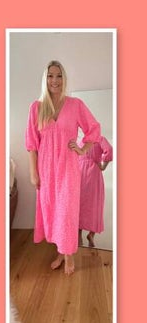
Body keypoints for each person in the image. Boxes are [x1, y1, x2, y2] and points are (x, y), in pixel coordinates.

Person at [26, 61, 101, 275]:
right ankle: (60, 251)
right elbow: (32, 144)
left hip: (68, 167)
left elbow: (94, 129)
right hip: (46, 168)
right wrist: (33, 172)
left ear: (64, 79)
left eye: (59, 76)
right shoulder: (37, 107)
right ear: (45, 79)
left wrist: (82, 149)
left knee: (66, 211)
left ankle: (68, 255)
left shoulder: (75, 104)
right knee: (52, 210)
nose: (55, 80)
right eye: (50, 76)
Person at [78, 137, 113, 247]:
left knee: (79, 205)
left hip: (80, 173)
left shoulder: (81, 141)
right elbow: (109, 150)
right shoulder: (99, 139)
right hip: (93, 173)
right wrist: (103, 166)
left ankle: (78, 239)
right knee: (95, 204)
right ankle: (91, 235)